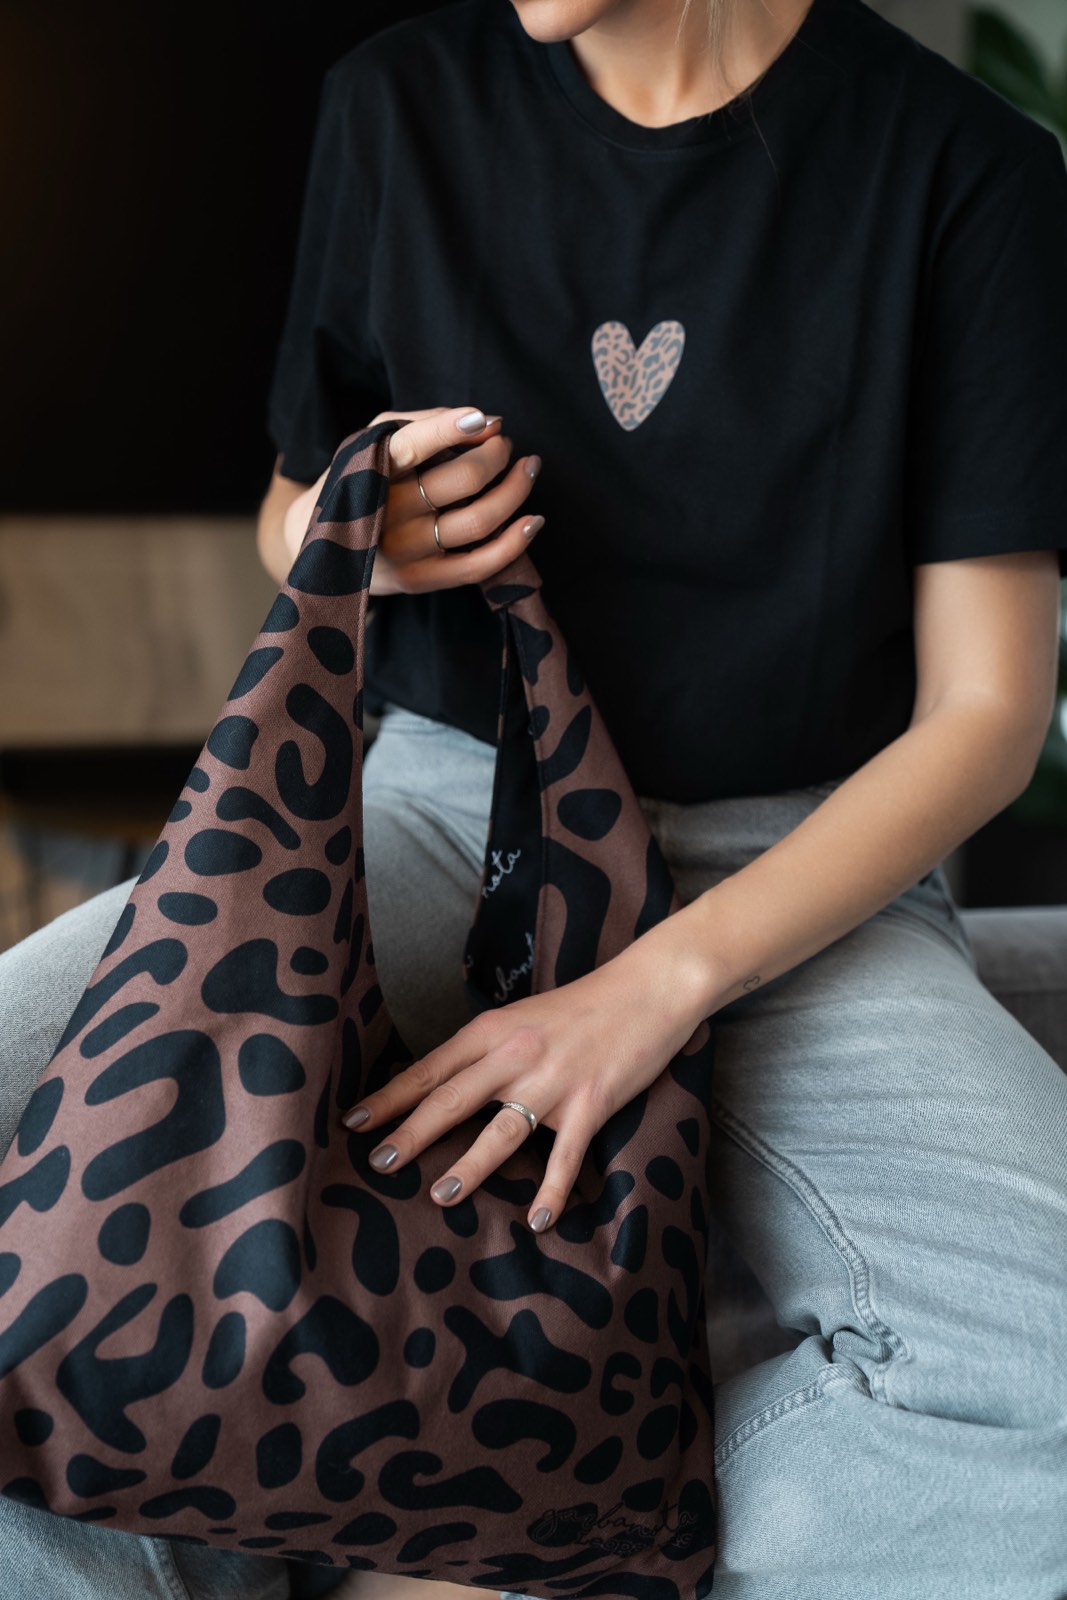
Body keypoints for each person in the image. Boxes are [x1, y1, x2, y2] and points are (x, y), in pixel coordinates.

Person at [2, 0, 1067, 1595]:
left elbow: (986, 714)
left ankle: (513, 1549)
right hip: (440, 808)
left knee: (1047, 1385)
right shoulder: (395, 103)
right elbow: (289, 512)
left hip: (801, 866)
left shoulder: (967, 169)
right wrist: (361, 532)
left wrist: (652, 989)